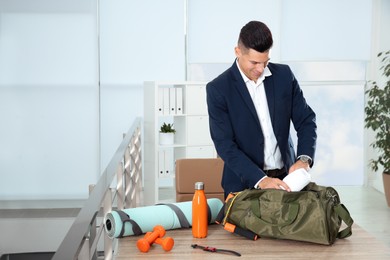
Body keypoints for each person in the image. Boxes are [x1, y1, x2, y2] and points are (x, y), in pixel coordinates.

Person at [206, 21, 317, 198]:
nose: (260, 69)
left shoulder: (284, 76)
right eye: (254, 62)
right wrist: (261, 180)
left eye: (265, 62)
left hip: (285, 181)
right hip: (244, 185)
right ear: (237, 51)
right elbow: (224, 145)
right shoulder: (219, 89)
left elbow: (306, 121)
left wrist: (304, 159)